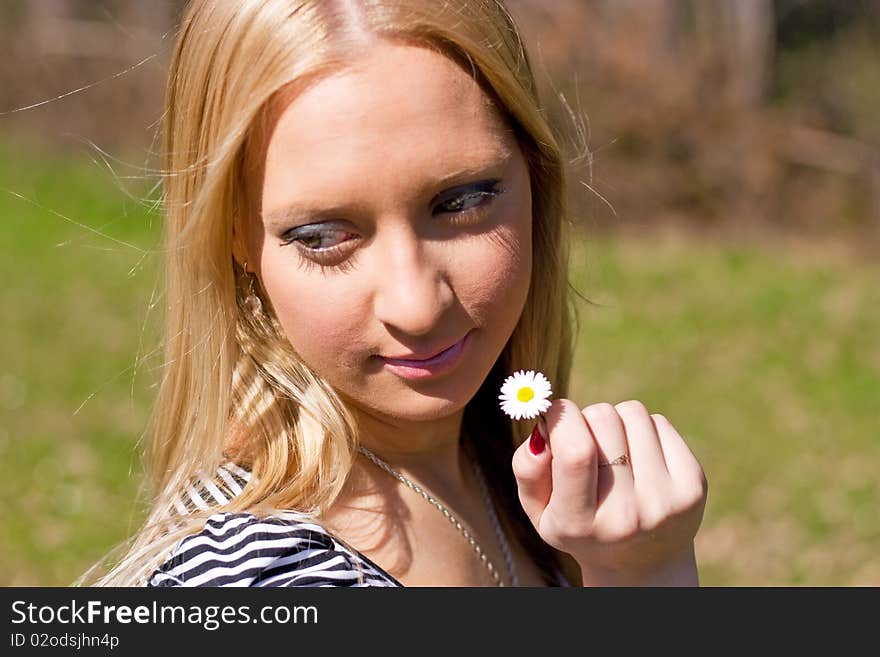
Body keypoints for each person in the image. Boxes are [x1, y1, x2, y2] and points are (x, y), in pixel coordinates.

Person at [82, 0, 707, 588]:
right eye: (323, 235)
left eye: (463, 201)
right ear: (235, 239)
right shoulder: (264, 580)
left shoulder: (501, 460)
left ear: (535, 174)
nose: (417, 306)